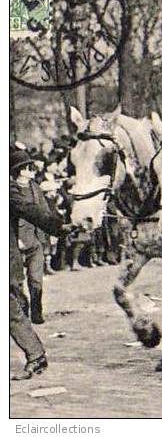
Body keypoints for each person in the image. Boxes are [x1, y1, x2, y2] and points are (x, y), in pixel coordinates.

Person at [10, 148, 72, 380]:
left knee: (11, 308)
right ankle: (36, 355)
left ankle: (36, 355)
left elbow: (33, 211)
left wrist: (60, 228)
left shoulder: (11, 191)